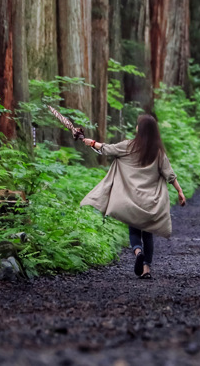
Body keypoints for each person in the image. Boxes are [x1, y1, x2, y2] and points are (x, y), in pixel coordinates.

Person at [80, 115, 186, 279]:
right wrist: (180, 191)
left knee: (134, 230)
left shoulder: (128, 146)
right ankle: (146, 270)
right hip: (150, 202)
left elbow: (107, 149)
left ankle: (138, 253)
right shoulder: (157, 152)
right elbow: (169, 174)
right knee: (148, 234)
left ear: (140, 129)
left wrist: (92, 143)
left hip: (131, 200)